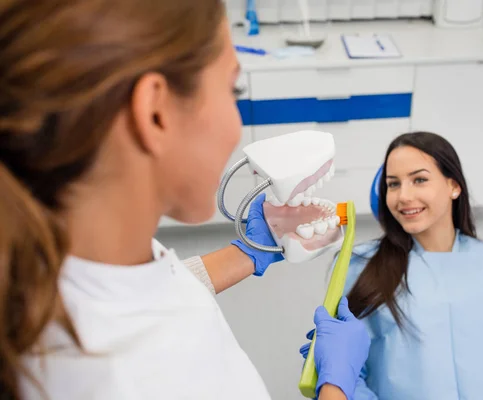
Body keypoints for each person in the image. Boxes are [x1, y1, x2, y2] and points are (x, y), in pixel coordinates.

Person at [0, 1, 370, 399]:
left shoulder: (71, 251)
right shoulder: (136, 379)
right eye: (232, 90)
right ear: (156, 112)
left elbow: (143, 293)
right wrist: (336, 388)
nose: (236, 123)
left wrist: (248, 252)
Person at [300, 132, 483, 399]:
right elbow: (346, 373)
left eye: (419, 180)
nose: (403, 196)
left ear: (454, 186)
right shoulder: (360, 270)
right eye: (393, 184)